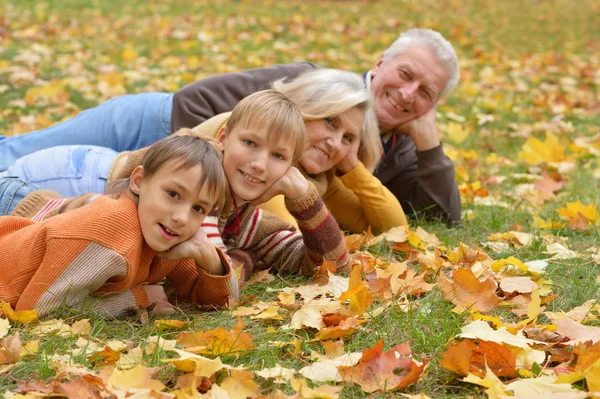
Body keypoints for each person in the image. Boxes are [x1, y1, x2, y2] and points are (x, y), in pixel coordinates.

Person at [0, 28, 460, 224]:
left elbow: (439, 220)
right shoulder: (317, 86)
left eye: (426, 93)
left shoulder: (396, 152)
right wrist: (198, 155)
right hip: (159, 121)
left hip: (179, 185)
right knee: (16, 156)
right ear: (381, 63)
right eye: (405, 74)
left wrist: (430, 143)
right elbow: (196, 97)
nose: (407, 93)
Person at [3, 69, 408, 235]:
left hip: (124, 178)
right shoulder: (248, 132)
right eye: (330, 123)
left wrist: (351, 164)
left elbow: (392, 226)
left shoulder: (315, 176)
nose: (336, 141)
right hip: (100, 161)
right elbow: (277, 229)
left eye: (350, 137)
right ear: (302, 111)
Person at [11, 90, 351, 283]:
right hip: (62, 178)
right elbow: (199, 277)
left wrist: (304, 198)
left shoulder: (243, 217)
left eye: (278, 156)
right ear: (222, 138)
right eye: (250, 143)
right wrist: (241, 259)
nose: (260, 163)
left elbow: (332, 267)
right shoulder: (193, 172)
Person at [0, 134, 239, 319]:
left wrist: (209, 257)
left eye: (198, 208)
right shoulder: (110, 231)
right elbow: (37, 312)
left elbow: (222, 303)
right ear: (138, 181)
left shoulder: (168, 232)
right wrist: (137, 298)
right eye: (173, 194)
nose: (182, 217)